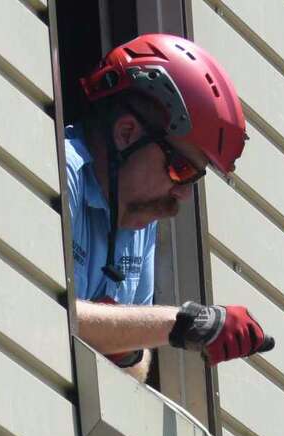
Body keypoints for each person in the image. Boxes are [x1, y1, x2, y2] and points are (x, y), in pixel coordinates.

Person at [69, 34, 272, 381]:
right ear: (127, 134)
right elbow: (42, 310)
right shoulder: (63, 172)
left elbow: (138, 367)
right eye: (180, 168)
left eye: (194, 178)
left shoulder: (138, 221)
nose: (183, 194)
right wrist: (184, 324)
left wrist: (118, 335)